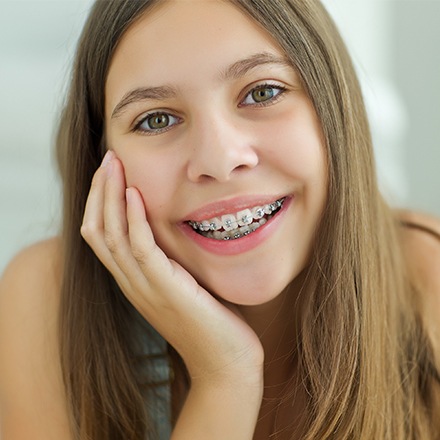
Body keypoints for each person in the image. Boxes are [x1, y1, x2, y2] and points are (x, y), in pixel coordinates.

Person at [0, 0, 439, 438]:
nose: (219, 159)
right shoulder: (48, 300)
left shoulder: (428, 281)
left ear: (333, 104)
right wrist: (225, 378)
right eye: (155, 120)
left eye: (262, 92)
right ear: (101, 161)